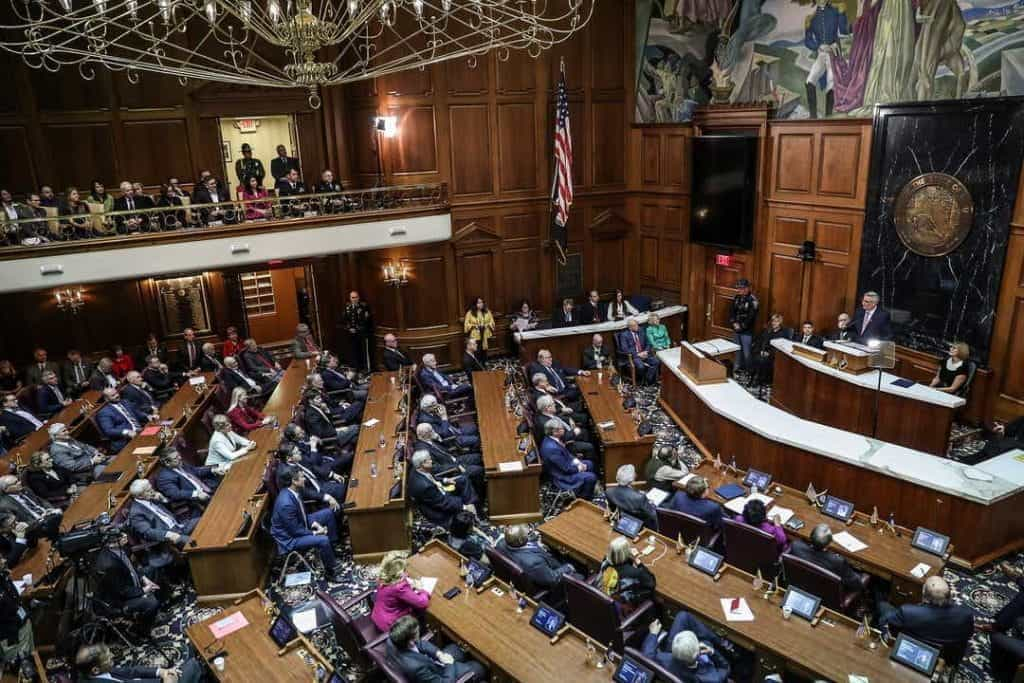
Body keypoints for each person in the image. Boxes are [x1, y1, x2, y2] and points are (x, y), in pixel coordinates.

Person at [270, 466, 344, 580]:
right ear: (294, 481)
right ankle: (331, 573)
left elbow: (301, 515)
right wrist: (316, 533)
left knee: (328, 514)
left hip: (300, 522)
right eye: (302, 477)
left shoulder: (295, 490)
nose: (304, 479)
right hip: (289, 539)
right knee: (323, 540)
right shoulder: (286, 504)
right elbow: (295, 531)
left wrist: (314, 523)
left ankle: (332, 551)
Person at [878, 576, 974, 651]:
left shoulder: (907, 611)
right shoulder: (966, 615)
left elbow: (892, 626)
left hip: (908, 648)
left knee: (883, 605)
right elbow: (968, 635)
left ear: (924, 595)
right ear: (951, 595)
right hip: (946, 655)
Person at [385, 615, 486, 682]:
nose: (419, 633)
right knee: (478, 666)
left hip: (431, 664)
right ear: (410, 640)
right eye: (416, 633)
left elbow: (420, 644)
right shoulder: (416, 668)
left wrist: (438, 654)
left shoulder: (393, 639)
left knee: (456, 648)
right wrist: (448, 664)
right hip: (439, 676)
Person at [93, 529, 160, 631]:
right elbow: (122, 591)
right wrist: (144, 590)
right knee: (151, 603)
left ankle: (157, 610)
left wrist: (145, 579)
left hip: (130, 582)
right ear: (111, 544)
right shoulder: (109, 565)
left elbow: (131, 567)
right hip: (120, 600)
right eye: (120, 536)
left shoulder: (122, 547)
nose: (125, 535)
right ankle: (141, 628)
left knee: (152, 569)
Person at [643, 612, 731, 682]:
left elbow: (647, 656)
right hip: (696, 672)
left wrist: (653, 633)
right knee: (707, 642)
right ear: (698, 653)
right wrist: (712, 652)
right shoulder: (712, 678)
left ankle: (719, 641)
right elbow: (725, 668)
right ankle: (721, 643)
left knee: (683, 616)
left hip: (675, 666)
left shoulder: (665, 659)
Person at [127, 479, 198, 557]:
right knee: (195, 543)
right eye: (148, 491)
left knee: (203, 522)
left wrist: (163, 499)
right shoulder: (136, 512)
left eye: (151, 488)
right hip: (169, 536)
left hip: (179, 526)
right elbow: (147, 532)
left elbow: (171, 511)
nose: (152, 492)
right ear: (139, 496)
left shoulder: (151, 498)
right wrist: (168, 534)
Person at [803, 0, 850, 117]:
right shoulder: (811, 19)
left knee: (831, 81)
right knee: (809, 80)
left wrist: (842, 13)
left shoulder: (835, 10)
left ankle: (828, 116)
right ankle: (813, 117)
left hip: (833, 52)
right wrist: (818, 46)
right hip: (821, 53)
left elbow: (844, 30)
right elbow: (807, 40)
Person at [406, 450, 477, 528]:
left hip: (439, 491)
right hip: (438, 509)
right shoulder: (425, 487)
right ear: (422, 464)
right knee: (463, 501)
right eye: (429, 460)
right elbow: (443, 503)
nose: (431, 461)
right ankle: (472, 516)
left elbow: (430, 477)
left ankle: (473, 511)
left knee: (463, 480)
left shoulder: (417, 469)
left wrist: (445, 480)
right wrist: (464, 506)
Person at [789, 523, 868, 591]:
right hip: (829, 593)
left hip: (804, 584)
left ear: (811, 536)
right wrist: (861, 574)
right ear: (829, 544)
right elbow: (857, 584)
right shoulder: (837, 561)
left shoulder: (796, 545)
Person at [496, 524, 576, 590]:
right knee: (580, 573)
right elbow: (552, 579)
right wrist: (568, 567)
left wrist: (536, 542)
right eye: (525, 533)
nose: (528, 532)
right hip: (552, 572)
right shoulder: (534, 563)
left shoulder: (501, 544)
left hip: (541, 561)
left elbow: (525, 543)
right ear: (521, 540)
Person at [75, 642, 202, 683]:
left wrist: (161, 672)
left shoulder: (103, 670)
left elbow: (132, 671)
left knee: (192, 651)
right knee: (194, 664)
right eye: (108, 659)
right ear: (95, 670)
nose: (112, 658)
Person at [414, 423, 485, 494]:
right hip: (452, 469)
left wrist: (438, 438)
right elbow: (435, 468)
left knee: (478, 457)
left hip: (453, 459)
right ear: (425, 434)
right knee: (478, 470)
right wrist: (456, 467)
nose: (434, 431)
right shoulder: (423, 450)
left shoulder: (428, 439)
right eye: (431, 431)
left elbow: (443, 447)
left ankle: (477, 484)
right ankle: (481, 495)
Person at [371, 551, 431, 632]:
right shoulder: (399, 587)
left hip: (378, 616)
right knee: (422, 612)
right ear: (398, 573)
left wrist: (407, 582)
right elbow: (422, 603)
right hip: (391, 626)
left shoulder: (384, 576)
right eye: (404, 570)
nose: (406, 572)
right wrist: (421, 590)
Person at [595, 535, 656, 610]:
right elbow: (651, 583)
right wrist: (638, 562)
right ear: (627, 553)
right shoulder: (635, 573)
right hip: (621, 609)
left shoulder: (605, 561)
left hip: (601, 599)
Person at [539, 420, 597, 500]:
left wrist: (578, 462)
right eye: (562, 429)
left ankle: (585, 489)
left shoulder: (553, 439)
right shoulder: (552, 449)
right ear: (555, 432)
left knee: (589, 464)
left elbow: (567, 454)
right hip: (561, 476)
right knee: (591, 477)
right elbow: (566, 469)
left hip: (565, 466)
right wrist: (580, 468)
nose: (564, 430)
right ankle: (583, 498)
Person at [154, 449, 222, 513]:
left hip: (207, 488)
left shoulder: (179, 464)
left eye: (179, 455)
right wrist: (196, 494)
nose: (180, 458)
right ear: (167, 463)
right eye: (175, 458)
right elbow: (175, 494)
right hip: (196, 501)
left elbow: (196, 471)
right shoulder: (164, 477)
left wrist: (213, 470)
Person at [0, 554, 33, 675]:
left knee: (29, 659)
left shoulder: (4, 576)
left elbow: (14, 599)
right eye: (0, 559)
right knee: (21, 671)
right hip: (11, 638)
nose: (4, 560)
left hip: (22, 625)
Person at [0, 474, 62, 539]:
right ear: (6, 489)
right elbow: (18, 526)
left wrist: (50, 509)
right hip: (35, 529)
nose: (20, 482)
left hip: (49, 517)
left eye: (18, 480)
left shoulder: (26, 489)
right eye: (15, 483)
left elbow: (41, 501)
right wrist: (39, 519)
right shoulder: (5, 505)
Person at [96, 387, 150, 452]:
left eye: (116, 393)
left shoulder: (125, 402)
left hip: (140, 432)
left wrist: (148, 416)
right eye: (113, 395)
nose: (117, 396)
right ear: (106, 399)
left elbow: (138, 413)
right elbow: (109, 430)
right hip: (126, 441)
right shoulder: (104, 412)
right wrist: (126, 432)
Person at [605, 465, 658, 531]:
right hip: (638, 527)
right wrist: (652, 505)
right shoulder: (639, 497)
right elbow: (653, 515)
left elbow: (612, 509)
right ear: (632, 478)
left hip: (620, 520)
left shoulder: (609, 491)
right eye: (634, 473)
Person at [752, 313, 793, 387]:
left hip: (775, 354)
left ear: (780, 322)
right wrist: (760, 351)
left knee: (763, 361)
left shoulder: (784, 333)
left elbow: (782, 347)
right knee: (755, 357)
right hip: (763, 352)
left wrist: (769, 353)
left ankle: (760, 380)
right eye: (773, 321)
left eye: (776, 321)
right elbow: (760, 341)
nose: (774, 323)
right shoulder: (767, 330)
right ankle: (755, 378)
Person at [617, 318, 661, 385]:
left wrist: (646, 351)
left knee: (656, 361)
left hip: (644, 354)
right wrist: (637, 354)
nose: (637, 326)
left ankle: (647, 379)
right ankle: (644, 381)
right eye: (635, 325)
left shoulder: (641, 331)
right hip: (634, 356)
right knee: (641, 367)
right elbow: (624, 349)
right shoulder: (624, 335)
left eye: (637, 324)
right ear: (630, 327)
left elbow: (648, 343)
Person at [729, 278, 758, 373]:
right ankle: (736, 370)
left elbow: (751, 317)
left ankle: (749, 373)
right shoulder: (737, 298)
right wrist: (734, 323)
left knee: (747, 354)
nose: (739, 290)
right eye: (739, 288)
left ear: (747, 288)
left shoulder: (753, 300)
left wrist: (741, 326)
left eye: (741, 288)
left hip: (747, 332)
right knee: (737, 351)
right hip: (736, 330)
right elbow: (732, 312)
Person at [343, 291, 373, 372]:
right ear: (350, 298)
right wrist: (349, 328)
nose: (354, 299)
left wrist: (356, 328)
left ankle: (366, 369)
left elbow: (366, 320)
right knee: (354, 352)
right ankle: (356, 369)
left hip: (362, 333)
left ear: (358, 298)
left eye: (356, 297)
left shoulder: (363, 307)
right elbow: (345, 320)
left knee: (364, 352)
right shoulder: (347, 307)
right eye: (352, 297)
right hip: (351, 335)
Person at [464, 297, 495, 361]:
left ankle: (484, 364)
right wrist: (473, 326)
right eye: (478, 303)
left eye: (481, 302)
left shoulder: (487, 311)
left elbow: (492, 322)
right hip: (475, 334)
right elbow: (466, 324)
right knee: (477, 351)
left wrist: (488, 324)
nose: (480, 304)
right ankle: (477, 365)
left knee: (484, 350)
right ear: (475, 304)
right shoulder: (470, 313)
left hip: (485, 333)